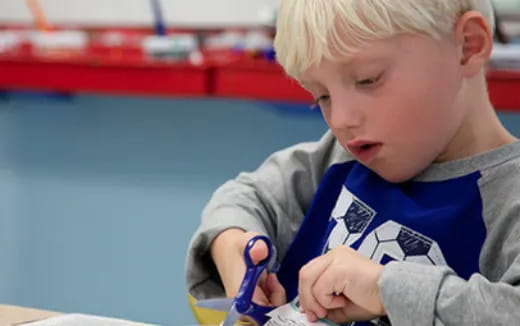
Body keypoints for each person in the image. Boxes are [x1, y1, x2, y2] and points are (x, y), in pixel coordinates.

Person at [186, 0, 520, 325]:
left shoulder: (510, 199)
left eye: (368, 79)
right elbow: (243, 197)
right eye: (322, 96)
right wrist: (234, 244)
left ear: (467, 46)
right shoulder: (339, 159)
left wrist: (386, 289)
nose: (341, 120)